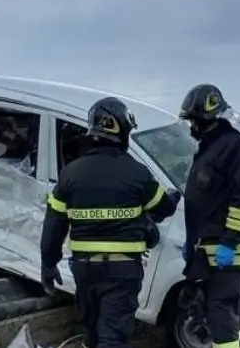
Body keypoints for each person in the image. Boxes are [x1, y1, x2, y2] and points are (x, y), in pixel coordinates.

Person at [39, 96, 180, 348]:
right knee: (113, 337)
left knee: (92, 332)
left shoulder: (70, 173)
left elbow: (53, 224)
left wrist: (48, 264)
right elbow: (164, 208)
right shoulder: (137, 173)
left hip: (85, 269)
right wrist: (172, 196)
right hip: (122, 271)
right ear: (122, 131)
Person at [178, 84, 240, 348]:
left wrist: (230, 241)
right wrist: (192, 243)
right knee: (214, 315)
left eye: (194, 120)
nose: (191, 126)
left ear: (208, 117)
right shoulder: (211, 147)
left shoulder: (236, 145)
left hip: (228, 250)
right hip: (209, 249)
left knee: (221, 313)